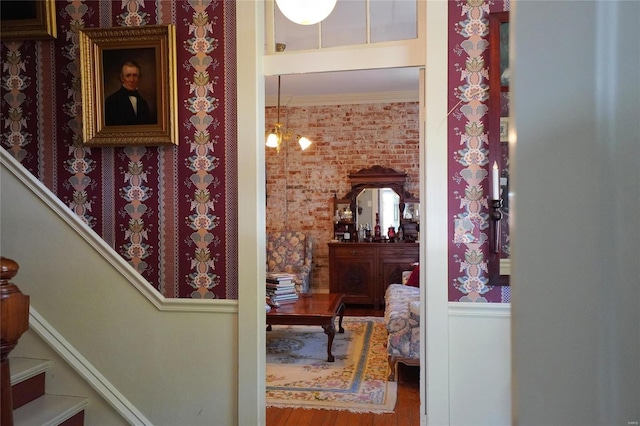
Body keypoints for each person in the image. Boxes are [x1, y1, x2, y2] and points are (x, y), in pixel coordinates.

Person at [104, 61, 155, 126]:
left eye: (135, 75)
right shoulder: (111, 102)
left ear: (139, 78)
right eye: (128, 76)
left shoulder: (143, 103)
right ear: (122, 78)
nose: (131, 80)